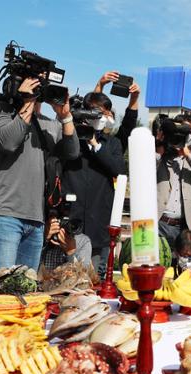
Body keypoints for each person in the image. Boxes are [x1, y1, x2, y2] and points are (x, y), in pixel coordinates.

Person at [0, 78, 79, 284]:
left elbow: (71, 152)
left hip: (36, 220)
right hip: (4, 214)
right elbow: (8, 142)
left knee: (24, 290)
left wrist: (65, 116)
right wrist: (27, 103)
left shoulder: (48, 124)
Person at [62, 92, 126, 278]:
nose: (103, 117)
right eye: (99, 112)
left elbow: (119, 170)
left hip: (98, 224)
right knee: (65, 277)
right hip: (72, 222)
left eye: (106, 113)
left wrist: (94, 142)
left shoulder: (111, 143)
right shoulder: (70, 137)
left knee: (93, 279)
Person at [156, 114, 191, 247]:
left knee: (183, 266)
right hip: (160, 222)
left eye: (190, 132)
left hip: (185, 226)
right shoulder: (161, 157)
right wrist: (160, 144)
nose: (185, 136)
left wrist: (187, 154)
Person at [93, 71, 141, 152]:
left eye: (110, 114)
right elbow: (93, 108)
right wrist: (100, 84)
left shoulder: (116, 144)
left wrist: (134, 97)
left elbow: (129, 123)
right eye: (104, 113)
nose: (108, 114)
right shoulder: (85, 137)